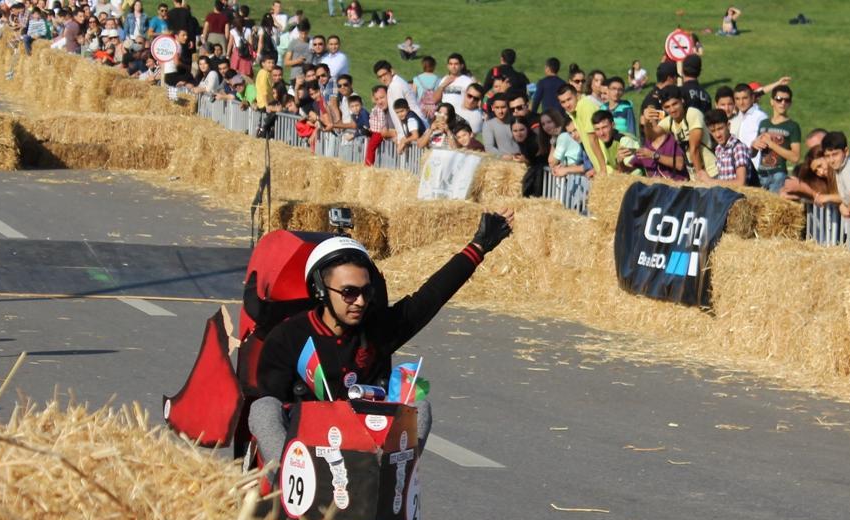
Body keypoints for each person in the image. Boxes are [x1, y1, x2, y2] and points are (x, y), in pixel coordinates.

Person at [249, 214, 514, 475]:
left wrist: (478, 247)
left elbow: (430, 297)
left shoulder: (378, 328)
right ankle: (288, 485)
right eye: (349, 292)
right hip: (305, 454)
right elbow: (274, 406)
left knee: (420, 407)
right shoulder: (287, 337)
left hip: (367, 451)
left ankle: (392, 478)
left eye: (366, 291)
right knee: (263, 409)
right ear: (320, 290)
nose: (360, 302)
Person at [647, 84, 718, 180]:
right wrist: (647, 121)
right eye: (667, 107)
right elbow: (652, 136)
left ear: (682, 101)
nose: (672, 110)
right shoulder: (670, 121)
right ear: (663, 108)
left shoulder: (692, 113)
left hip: (711, 172)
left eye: (675, 104)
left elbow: (694, 149)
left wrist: (699, 176)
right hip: (695, 175)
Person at [751, 84, 801, 192]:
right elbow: (752, 154)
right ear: (772, 101)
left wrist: (772, 144)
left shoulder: (793, 126)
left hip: (778, 176)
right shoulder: (763, 123)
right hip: (761, 175)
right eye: (779, 99)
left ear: (790, 103)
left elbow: (795, 158)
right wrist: (753, 145)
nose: (783, 103)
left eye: (786, 100)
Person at [557, 83, 605, 173]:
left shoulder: (584, 106)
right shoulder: (574, 111)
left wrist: (602, 169)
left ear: (576, 95)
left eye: (569, 99)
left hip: (606, 165)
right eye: (563, 102)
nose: (567, 105)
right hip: (600, 165)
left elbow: (594, 139)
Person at [817, 131, 850, 214]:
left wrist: (849, 209)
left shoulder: (849, 168)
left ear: (846, 151)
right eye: (827, 156)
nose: (831, 160)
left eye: (835, 154)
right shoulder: (840, 167)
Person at [701, 109, 754, 185]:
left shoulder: (738, 148)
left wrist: (711, 181)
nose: (717, 135)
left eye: (720, 128)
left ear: (728, 126)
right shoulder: (718, 149)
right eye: (713, 131)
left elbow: (741, 182)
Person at [374, 60, 426, 135]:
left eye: (385, 74)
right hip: (413, 129)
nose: (383, 79)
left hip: (415, 130)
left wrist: (401, 136)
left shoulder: (395, 86)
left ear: (391, 71)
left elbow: (400, 113)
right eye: (380, 77)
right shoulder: (394, 84)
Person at [481, 93, 518, 157]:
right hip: (503, 161)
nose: (500, 111)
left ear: (508, 107)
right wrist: (503, 156)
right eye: (497, 108)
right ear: (492, 108)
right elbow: (489, 148)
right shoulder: (488, 125)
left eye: (503, 107)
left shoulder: (517, 121)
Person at [412, 55, 439, 121]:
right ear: (434, 66)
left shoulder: (416, 79)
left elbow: (413, 94)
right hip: (435, 108)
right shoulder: (438, 79)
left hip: (420, 109)